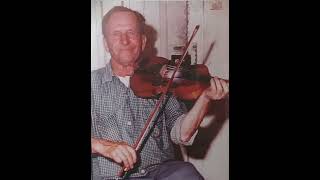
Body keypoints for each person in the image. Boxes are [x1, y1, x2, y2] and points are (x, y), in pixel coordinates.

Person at [91, 6, 229, 180]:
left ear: (143, 41)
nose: (124, 40)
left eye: (131, 32)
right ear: (105, 43)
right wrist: (101, 146)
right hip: (112, 177)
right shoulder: (92, 84)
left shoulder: (162, 82)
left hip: (161, 173)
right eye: (116, 34)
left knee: (186, 173)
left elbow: (182, 134)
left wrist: (205, 98)